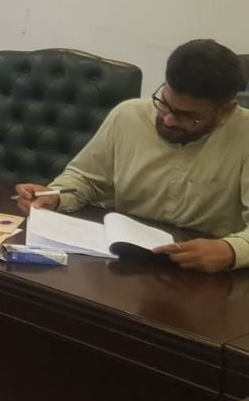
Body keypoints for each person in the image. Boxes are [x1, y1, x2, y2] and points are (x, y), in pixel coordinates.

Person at [15, 39, 249, 274]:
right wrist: (55, 196)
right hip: (128, 260)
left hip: (206, 272)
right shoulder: (128, 116)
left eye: (188, 117)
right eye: (165, 104)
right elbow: (86, 178)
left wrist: (231, 250)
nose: (169, 120)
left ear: (226, 110)